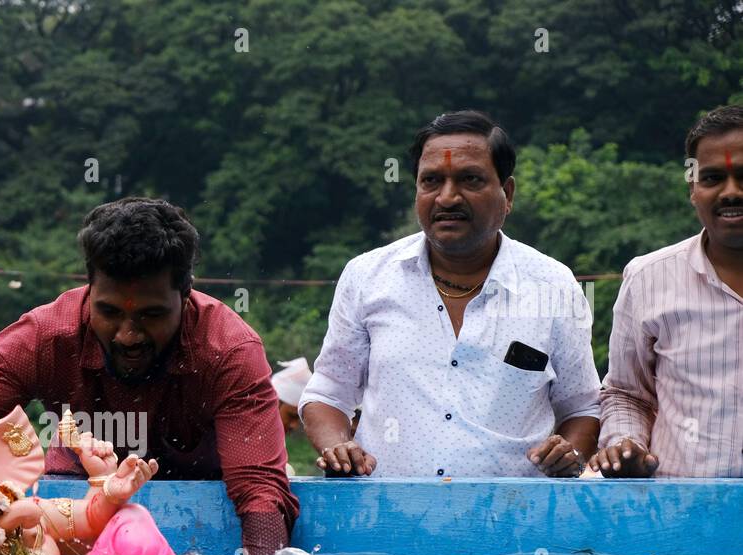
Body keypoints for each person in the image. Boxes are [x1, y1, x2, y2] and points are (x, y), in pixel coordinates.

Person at [0, 197, 299, 555]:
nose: (128, 336)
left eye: (151, 315)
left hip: (200, 514)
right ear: (89, 287)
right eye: (110, 312)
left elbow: (260, 491)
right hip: (70, 516)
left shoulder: (228, 350)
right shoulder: (44, 337)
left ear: (186, 296)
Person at [300, 110, 601, 479]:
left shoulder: (553, 285)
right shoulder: (367, 276)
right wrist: (338, 446)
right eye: (431, 181)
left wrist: (569, 452)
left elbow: (583, 408)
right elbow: (328, 394)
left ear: (506, 194)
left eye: (469, 180)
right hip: (386, 518)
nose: (447, 197)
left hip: (515, 522)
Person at [591, 105, 743, 478]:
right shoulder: (648, 278)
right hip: (678, 518)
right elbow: (626, 394)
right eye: (711, 178)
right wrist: (626, 444)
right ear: (693, 188)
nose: (731, 192)